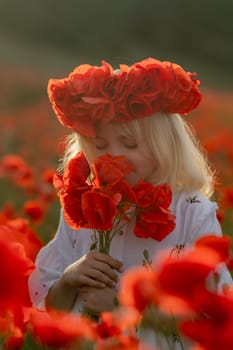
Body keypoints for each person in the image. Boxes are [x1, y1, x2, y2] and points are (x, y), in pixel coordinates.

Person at [28, 58, 232, 348]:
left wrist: (121, 304)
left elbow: (214, 312)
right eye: (100, 146)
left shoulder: (192, 212)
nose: (114, 155)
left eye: (130, 144)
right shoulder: (82, 206)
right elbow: (51, 307)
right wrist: (68, 279)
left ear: (165, 144)